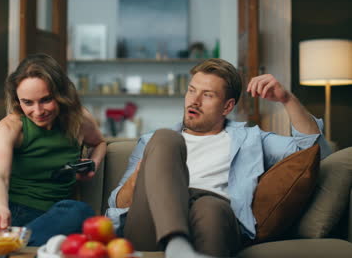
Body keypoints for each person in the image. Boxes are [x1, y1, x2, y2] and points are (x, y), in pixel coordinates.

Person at [105, 58, 331, 258]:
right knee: (165, 138)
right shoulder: (151, 142)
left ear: (227, 106)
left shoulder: (251, 139)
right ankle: (176, 242)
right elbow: (116, 204)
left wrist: (287, 99)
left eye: (207, 95)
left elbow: (311, 150)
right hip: (151, 223)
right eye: (191, 90)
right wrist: (139, 178)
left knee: (210, 206)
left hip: (213, 217)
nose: (194, 101)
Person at [0, 53, 106, 250]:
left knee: (80, 211)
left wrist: (93, 163)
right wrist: (1, 208)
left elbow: (100, 143)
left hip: (44, 218)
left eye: (46, 99)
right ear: (18, 100)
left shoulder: (79, 120)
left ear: (61, 95)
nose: (38, 110)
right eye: (28, 102)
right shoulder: (11, 126)